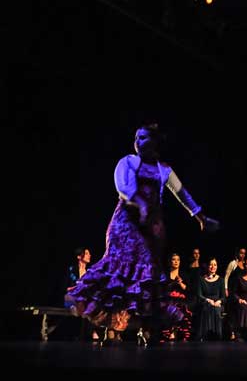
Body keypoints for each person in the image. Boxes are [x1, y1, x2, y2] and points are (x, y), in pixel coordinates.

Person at [67, 123, 211, 346]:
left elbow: (182, 193)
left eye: (143, 138)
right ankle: (112, 331)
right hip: (126, 225)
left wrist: (200, 217)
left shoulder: (164, 169)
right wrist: (141, 205)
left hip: (152, 229)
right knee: (119, 276)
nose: (137, 141)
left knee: (145, 280)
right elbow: (123, 188)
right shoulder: (128, 161)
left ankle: (147, 329)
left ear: (155, 142)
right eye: (136, 137)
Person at [160, 253, 192, 342]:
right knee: (168, 308)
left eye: (178, 260)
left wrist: (181, 283)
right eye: (174, 259)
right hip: (168, 299)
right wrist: (171, 284)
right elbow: (162, 289)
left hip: (181, 300)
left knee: (182, 308)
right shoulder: (165, 275)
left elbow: (188, 289)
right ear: (170, 262)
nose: (176, 262)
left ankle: (178, 332)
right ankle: (170, 332)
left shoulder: (184, 275)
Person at [196, 258, 225, 341]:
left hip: (217, 303)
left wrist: (219, 301)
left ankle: (217, 335)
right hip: (205, 302)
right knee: (207, 308)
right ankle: (205, 335)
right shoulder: (201, 279)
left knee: (216, 309)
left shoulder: (221, 280)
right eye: (211, 264)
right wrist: (208, 300)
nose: (213, 266)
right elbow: (199, 295)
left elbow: (223, 297)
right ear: (207, 266)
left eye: (215, 264)